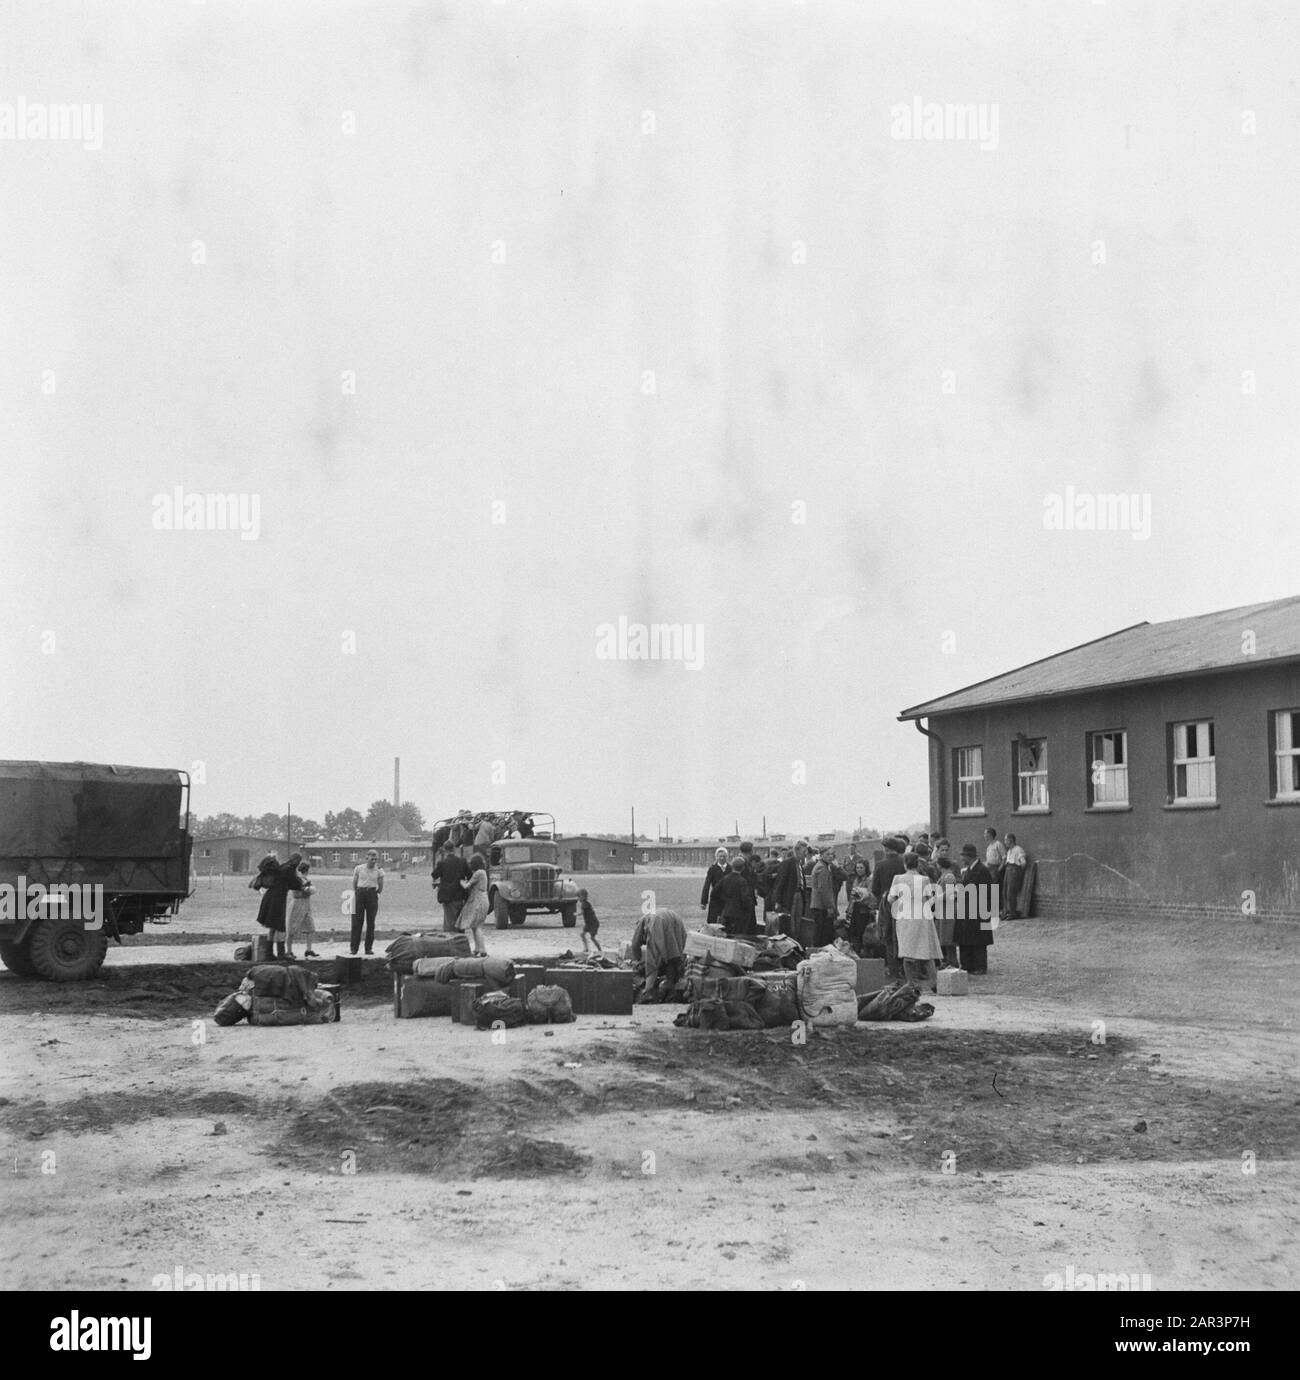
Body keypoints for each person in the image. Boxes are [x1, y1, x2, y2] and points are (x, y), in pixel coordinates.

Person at [887, 851, 943, 992]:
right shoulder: (924, 879)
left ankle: (911, 983)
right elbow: (930, 897)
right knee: (925, 950)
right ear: (917, 864)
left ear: (905, 864)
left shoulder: (898, 878)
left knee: (907, 950)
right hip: (922, 916)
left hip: (905, 916)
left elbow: (890, 898)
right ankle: (934, 983)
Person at [251, 852, 302, 959]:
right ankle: (281, 953)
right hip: (277, 899)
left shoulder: (283, 867)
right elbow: (296, 884)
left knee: (273, 927)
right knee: (280, 927)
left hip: (270, 898)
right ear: (296, 861)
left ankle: (269, 954)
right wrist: (302, 882)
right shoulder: (289, 869)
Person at [631, 907, 687, 1002]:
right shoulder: (652, 916)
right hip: (676, 919)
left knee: (652, 959)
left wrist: (635, 961)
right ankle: (670, 989)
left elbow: (635, 944)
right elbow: (673, 955)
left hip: (658, 921)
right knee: (673, 957)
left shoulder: (642, 922)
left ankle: (648, 991)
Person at [870, 836, 908, 978]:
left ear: (886, 849)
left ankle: (893, 970)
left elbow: (875, 888)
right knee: (903, 936)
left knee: (888, 937)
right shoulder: (904, 863)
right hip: (905, 903)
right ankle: (905, 969)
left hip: (887, 904)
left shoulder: (880, 865)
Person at [956, 843, 995, 973]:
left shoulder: (981, 871)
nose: (961, 858)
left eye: (963, 855)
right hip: (969, 910)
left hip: (978, 910)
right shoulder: (969, 870)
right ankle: (968, 964)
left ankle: (980, 966)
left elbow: (987, 892)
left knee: (979, 939)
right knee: (969, 937)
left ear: (969, 856)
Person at [457, 852, 491, 957]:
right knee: (475, 926)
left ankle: (483, 950)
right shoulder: (483, 872)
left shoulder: (478, 873)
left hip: (478, 900)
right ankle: (477, 949)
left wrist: (460, 882)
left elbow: (467, 886)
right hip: (483, 899)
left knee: (477, 926)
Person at [351, 850, 384, 956]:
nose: (373, 861)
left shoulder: (379, 870)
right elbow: (354, 882)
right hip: (360, 894)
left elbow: (381, 884)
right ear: (367, 858)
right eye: (372, 858)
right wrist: (358, 891)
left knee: (371, 923)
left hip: (372, 894)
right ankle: (354, 948)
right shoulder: (359, 868)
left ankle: (368, 948)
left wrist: (376, 892)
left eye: (375, 859)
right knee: (356, 923)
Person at [431, 842, 470, 932]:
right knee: (460, 922)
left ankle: (452, 941)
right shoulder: (462, 861)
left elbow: (434, 875)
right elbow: (469, 875)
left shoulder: (442, 863)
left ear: (445, 850)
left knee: (449, 922)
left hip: (447, 897)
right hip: (460, 896)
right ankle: (460, 939)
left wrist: (439, 860)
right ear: (454, 849)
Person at [933, 842, 961, 967]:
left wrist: (936, 898)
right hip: (944, 909)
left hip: (947, 910)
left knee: (949, 937)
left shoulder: (949, 876)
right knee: (945, 937)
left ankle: (953, 962)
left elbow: (949, 893)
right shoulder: (945, 875)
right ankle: (949, 961)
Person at [715, 856, 757, 937]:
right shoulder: (742, 881)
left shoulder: (725, 879)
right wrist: (749, 907)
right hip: (739, 914)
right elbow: (745, 898)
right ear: (743, 868)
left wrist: (721, 904)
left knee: (726, 936)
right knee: (738, 937)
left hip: (726, 911)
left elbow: (714, 893)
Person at [286, 860, 319, 959]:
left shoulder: (304, 879)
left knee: (310, 927)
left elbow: (311, 890)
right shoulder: (298, 879)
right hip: (298, 903)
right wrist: (307, 889)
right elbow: (304, 891)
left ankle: (308, 950)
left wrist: (308, 889)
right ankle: (289, 951)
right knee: (291, 928)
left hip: (306, 903)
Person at [771, 842, 806, 931]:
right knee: (790, 922)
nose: (806, 853)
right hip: (790, 896)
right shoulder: (787, 863)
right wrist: (778, 901)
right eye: (804, 851)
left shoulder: (800, 864)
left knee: (798, 920)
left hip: (799, 895)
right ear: (797, 851)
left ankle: (796, 938)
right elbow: (780, 883)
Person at [809, 847, 839, 947]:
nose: (830, 856)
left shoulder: (823, 866)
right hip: (821, 906)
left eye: (832, 854)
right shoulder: (822, 868)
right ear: (821, 855)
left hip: (818, 905)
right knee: (822, 934)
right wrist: (830, 906)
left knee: (820, 933)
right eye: (827, 854)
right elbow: (824, 889)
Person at [846, 857, 874, 952]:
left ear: (866, 868)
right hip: (855, 908)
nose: (859, 870)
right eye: (857, 868)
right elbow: (852, 896)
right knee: (854, 932)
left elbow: (870, 894)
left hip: (864, 909)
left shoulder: (869, 880)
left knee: (861, 931)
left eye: (861, 868)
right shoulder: (856, 880)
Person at [700, 847, 729, 926]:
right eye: (720, 856)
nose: (722, 858)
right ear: (717, 857)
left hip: (728, 899)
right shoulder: (712, 869)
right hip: (716, 899)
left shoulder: (731, 868)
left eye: (724, 856)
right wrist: (703, 902)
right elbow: (707, 885)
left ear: (727, 857)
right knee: (713, 921)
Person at [1002, 833, 1027, 920]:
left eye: (1006, 840)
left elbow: (1023, 862)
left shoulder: (1018, 849)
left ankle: (1012, 913)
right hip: (1008, 870)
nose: (1005, 842)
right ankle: (1006, 912)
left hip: (1014, 871)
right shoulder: (1009, 851)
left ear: (1011, 840)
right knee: (1005, 891)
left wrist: (1018, 872)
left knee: (1011, 893)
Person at [578, 887, 603, 956]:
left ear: (583, 897)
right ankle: (586, 948)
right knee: (582, 934)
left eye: (579, 897)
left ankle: (600, 950)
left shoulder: (584, 904)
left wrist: (577, 914)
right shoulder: (585, 903)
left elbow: (582, 912)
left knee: (592, 938)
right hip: (589, 923)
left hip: (593, 923)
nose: (578, 899)